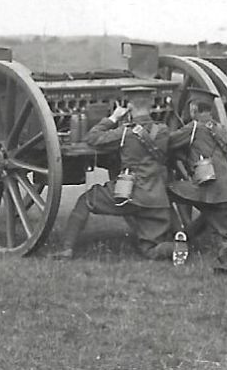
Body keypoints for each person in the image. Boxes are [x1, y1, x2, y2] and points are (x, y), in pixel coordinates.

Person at [53, 85, 177, 260]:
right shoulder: (163, 131)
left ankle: (67, 249)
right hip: (157, 199)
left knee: (86, 200)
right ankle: (176, 248)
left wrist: (113, 117)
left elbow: (92, 138)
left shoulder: (125, 133)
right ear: (150, 105)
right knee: (150, 250)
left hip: (130, 194)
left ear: (130, 106)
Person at [166, 87, 227, 256]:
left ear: (193, 108)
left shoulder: (194, 128)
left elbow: (168, 142)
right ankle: (186, 235)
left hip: (211, 193)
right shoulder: (220, 129)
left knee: (166, 191)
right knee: (223, 238)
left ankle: (179, 235)